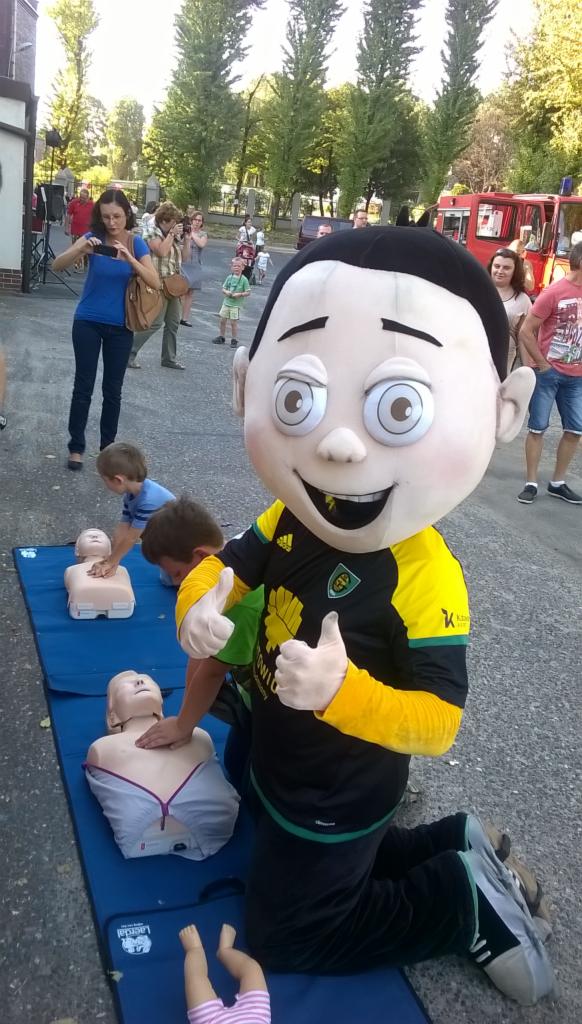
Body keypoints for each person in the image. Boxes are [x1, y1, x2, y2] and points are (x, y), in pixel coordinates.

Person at [176, 226, 556, 1005]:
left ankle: (457, 902)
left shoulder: (423, 574)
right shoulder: (287, 520)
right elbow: (224, 571)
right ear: (248, 385)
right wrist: (197, 609)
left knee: (287, 934)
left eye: (396, 406)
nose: (341, 443)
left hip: (340, 790)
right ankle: (451, 841)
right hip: (283, 757)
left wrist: (340, 693)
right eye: (298, 397)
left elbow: (439, 721)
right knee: (262, 814)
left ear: (502, 412)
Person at [136, 497, 263, 767]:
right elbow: (200, 656)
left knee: (245, 766)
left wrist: (183, 725)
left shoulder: (239, 607)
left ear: (202, 556)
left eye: (179, 573)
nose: (175, 582)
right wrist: (186, 714)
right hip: (252, 685)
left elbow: (212, 671)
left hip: (274, 703)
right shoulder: (236, 551)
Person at [53, 189, 159, 472]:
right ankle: (76, 447)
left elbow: (155, 282)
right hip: (87, 321)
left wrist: (131, 261)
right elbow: (57, 265)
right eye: (106, 217)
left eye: (117, 216)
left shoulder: (136, 243)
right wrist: (80, 249)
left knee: (113, 391)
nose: (112, 223)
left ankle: (107, 451)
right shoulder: (92, 238)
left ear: (127, 214)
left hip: (121, 327)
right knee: (83, 387)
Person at [85, 671, 240, 860]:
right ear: (112, 715)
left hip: (216, 829)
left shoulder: (199, 736)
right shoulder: (102, 749)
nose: (141, 680)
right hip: (145, 834)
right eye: (127, 684)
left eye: (148, 679)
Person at [517, 240, 582, 505]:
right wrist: (542, 364)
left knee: (575, 430)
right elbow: (525, 330)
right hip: (549, 373)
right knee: (537, 428)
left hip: (576, 376)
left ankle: (557, 482)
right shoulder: (554, 292)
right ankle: (531, 482)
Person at [91, 442, 175, 578]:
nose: (104, 484)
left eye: (104, 480)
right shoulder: (131, 494)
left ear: (118, 480)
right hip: (163, 538)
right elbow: (123, 528)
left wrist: (110, 561)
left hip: (179, 542)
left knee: (173, 580)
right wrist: (112, 560)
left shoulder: (148, 501)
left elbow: (131, 537)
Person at [128, 201, 189, 371]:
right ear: (165, 220)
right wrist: (171, 235)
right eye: (173, 222)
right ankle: (128, 353)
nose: (176, 226)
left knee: (174, 322)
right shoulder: (151, 229)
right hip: (157, 281)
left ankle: (169, 358)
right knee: (155, 321)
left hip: (173, 283)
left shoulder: (171, 233)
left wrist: (187, 238)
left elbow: (186, 257)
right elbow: (160, 251)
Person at [179, 923, 270, 1024]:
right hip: (256, 1015)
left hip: (211, 1019)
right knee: (253, 970)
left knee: (195, 981)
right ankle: (225, 951)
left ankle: (194, 949)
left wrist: (193, 950)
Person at [64, 528, 135, 620]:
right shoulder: (70, 571)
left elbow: (132, 532)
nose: (95, 536)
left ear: (110, 550)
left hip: (86, 604)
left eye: (101, 536)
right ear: (77, 550)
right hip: (121, 605)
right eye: (88, 536)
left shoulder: (122, 570)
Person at [487, 248, 532, 374]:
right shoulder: (479, 291)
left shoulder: (522, 300)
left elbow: (523, 336)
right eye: (497, 266)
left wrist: (526, 369)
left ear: (515, 271)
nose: (500, 271)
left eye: (506, 268)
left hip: (503, 361)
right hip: (475, 355)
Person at [212, 257, 251, 348]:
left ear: (243, 268)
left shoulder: (244, 279)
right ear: (231, 267)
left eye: (238, 266)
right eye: (234, 266)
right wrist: (227, 292)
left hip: (235, 305)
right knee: (222, 320)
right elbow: (223, 289)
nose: (236, 268)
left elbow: (248, 292)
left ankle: (234, 339)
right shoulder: (229, 278)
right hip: (226, 303)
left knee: (233, 323)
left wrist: (240, 294)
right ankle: (222, 336)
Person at [180, 211, 208, 327]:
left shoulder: (203, 234)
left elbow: (201, 244)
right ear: (192, 220)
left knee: (190, 293)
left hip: (196, 264)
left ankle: (185, 318)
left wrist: (192, 234)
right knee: (181, 291)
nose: (197, 222)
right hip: (184, 263)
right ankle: (177, 316)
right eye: (195, 219)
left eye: (200, 220)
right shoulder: (185, 231)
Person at [65, 188, 95, 272]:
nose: (82, 199)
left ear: (88, 197)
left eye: (84, 198)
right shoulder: (74, 202)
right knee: (76, 248)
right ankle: (77, 265)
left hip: (87, 232)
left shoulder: (92, 205)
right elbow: (68, 215)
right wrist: (66, 227)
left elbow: (96, 216)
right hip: (75, 230)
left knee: (86, 249)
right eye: (81, 197)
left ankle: (85, 264)